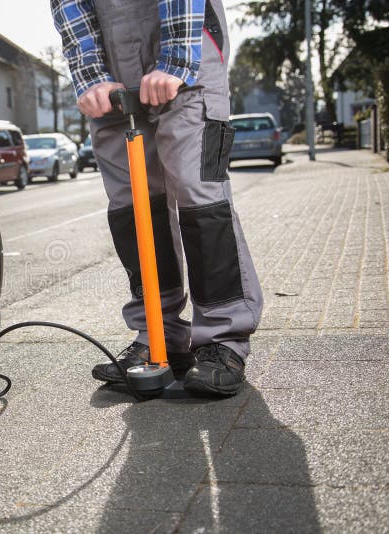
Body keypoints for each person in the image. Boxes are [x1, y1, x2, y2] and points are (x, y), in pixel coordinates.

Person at [51, 0, 264, 395]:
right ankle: (159, 334)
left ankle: (222, 339)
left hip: (184, 38)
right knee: (133, 207)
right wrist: (89, 75)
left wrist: (177, 59)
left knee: (200, 196)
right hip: (111, 59)